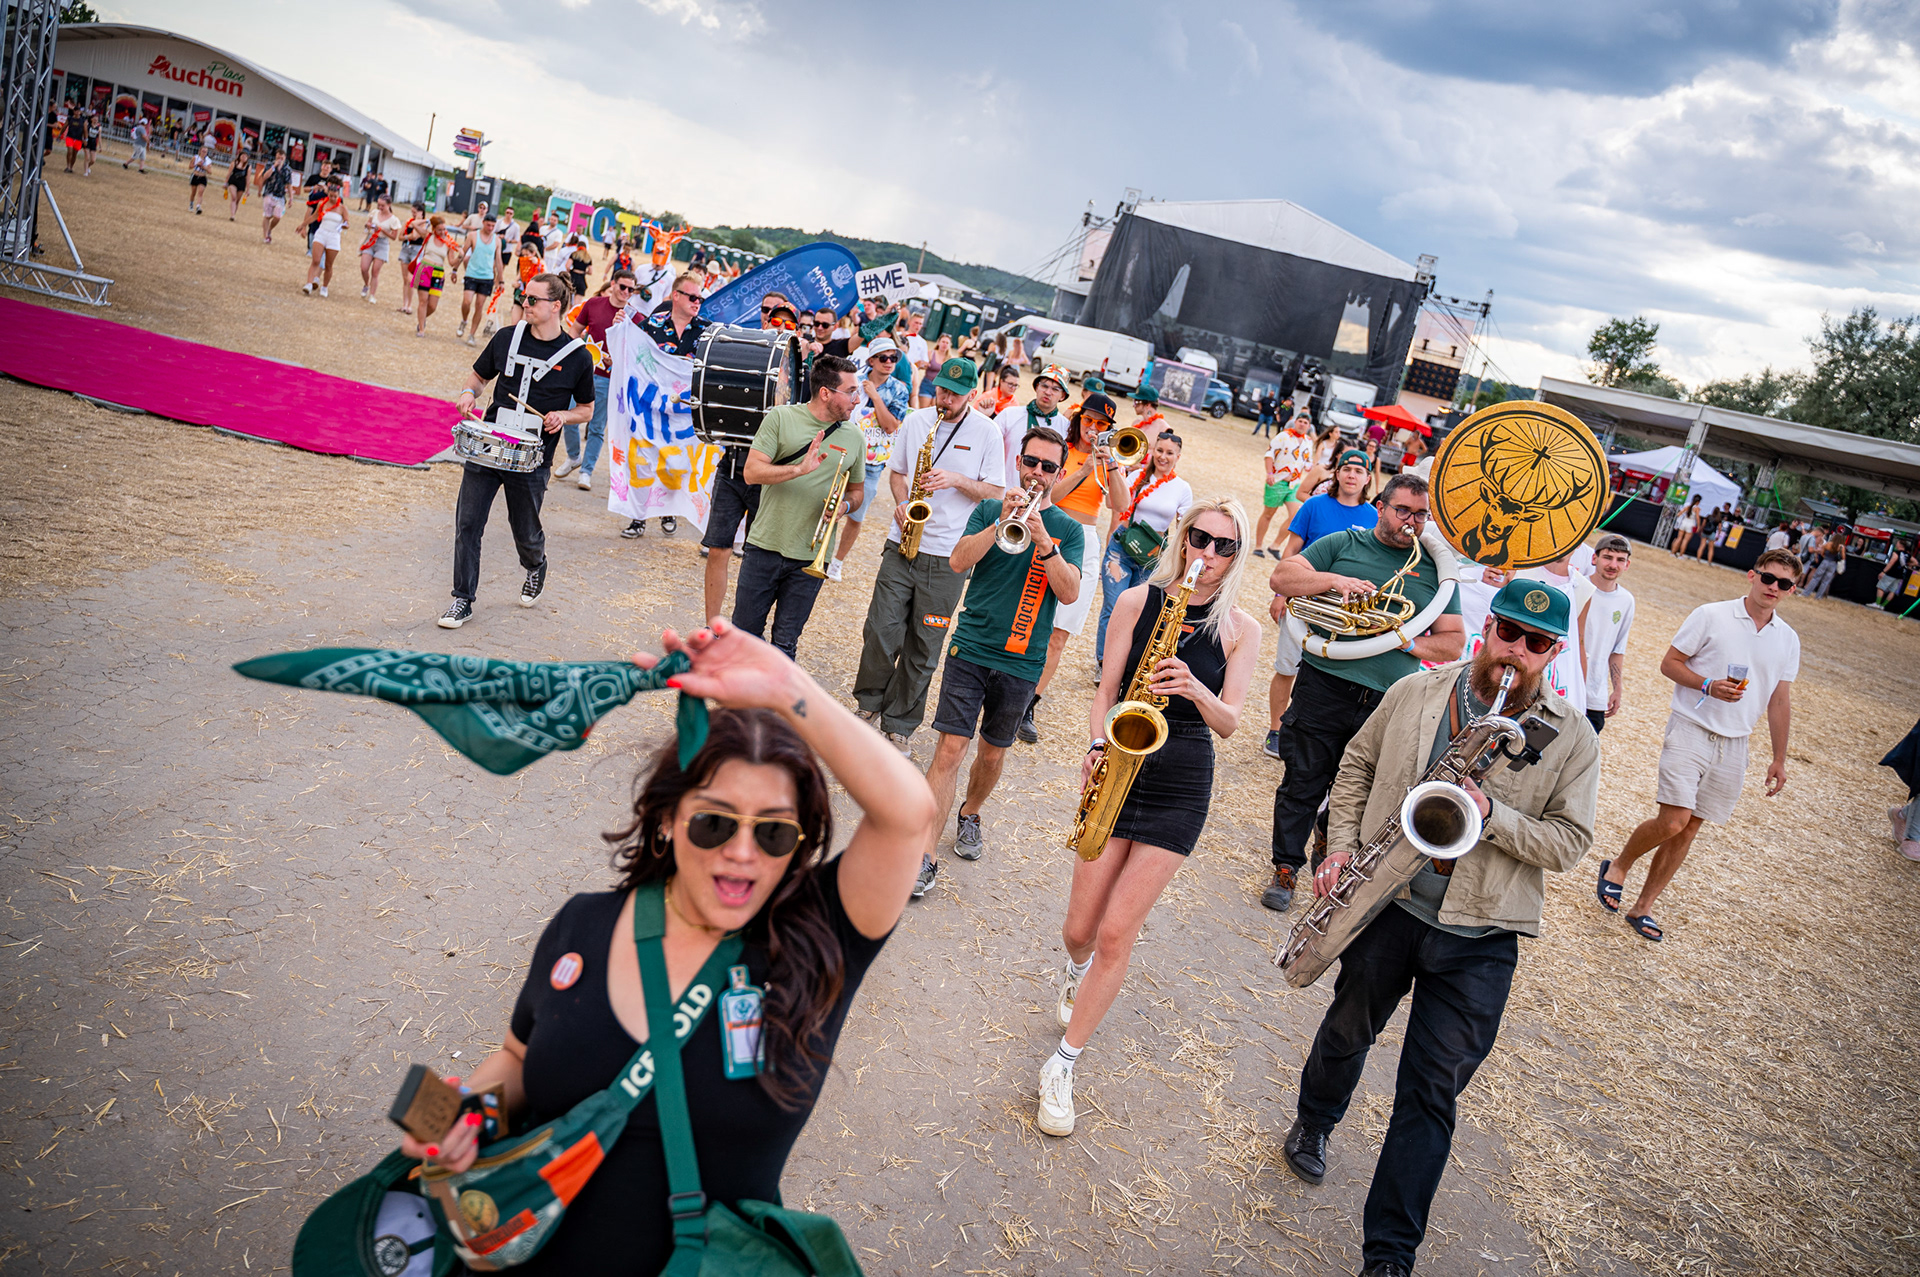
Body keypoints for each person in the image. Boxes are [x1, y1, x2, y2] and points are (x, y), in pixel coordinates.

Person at [398, 618, 935, 1275]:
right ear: (666, 821)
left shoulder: (819, 938)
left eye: (773, 832)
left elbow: (909, 813)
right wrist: (464, 1113)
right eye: (713, 822)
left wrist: (784, 685)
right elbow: (516, 1058)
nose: (742, 852)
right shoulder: (582, 927)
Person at [1280, 579, 1598, 1277]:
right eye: (1508, 633)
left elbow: (1571, 842)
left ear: (1554, 652)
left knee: (1431, 1093)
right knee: (1347, 1030)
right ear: (1488, 629)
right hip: (1387, 906)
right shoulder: (1416, 690)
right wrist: (1338, 848)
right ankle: (1315, 1119)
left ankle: (1390, 1255)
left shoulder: (1573, 736)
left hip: (1481, 935)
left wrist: (1492, 815)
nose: (1516, 651)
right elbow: (1358, 763)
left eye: (1536, 643)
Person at [1038, 499, 1259, 1135]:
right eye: (1200, 539)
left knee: (1116, 933)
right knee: (1080, 931)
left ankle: (1063, 1064)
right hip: (1120, 764)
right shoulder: (1138, 602)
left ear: (1237, 556)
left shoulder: (1240, 628)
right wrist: (1095, 743)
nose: (1208, 554)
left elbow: (1230, 722)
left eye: (1224, 546)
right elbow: (1107, 691)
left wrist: (1194, 687)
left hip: (1183, 781)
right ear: (1183, 538)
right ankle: (1074, 969)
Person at [1261, 474, 1465, 912]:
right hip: (1324, 684)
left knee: (1360, 788)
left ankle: (1329, 847)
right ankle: (1285, 867)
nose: (1411, 521)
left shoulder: (1436, 570)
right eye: (1402, 510)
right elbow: (1282, 577)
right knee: (1303, 781)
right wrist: (1334, 581)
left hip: (1389, 699)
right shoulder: (1343, 543)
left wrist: (1404, 640)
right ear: (1380, 508)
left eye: (1421, 514)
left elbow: (1453, 643)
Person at [1598, 550, 1801, 940]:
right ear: (1752, 575)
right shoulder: (1711, 615)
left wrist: (1779, 758)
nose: (1773, 587)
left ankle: (1643, 907)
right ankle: (1619, 865)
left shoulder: (1788, 640)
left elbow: (1779, 700)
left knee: (1689, 829)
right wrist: (1707, 685)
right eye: (1768, 578)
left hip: (1736, 743)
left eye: (1784, 583)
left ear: (1793, 590)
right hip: (1691, 727)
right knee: (1674, 820)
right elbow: (1669, 664)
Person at [919, 428, 1086, 895]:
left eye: (1047, 467)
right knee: (950, 749)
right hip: (972, 647)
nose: (1037, 473)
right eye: (1031, 462)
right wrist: (1001, 524)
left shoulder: (1069, 530)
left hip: (1022, 659)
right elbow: (957, 562)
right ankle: (924, 855)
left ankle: (970, 812)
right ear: (1019, 462)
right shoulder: (990, 509)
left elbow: (1069, 592)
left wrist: (1044, 541)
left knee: (992, 753)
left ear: (1059, 472)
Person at [851, 358, 1007, 754]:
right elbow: (898, 473)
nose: (945, 399)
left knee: (924, 645)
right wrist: (903, 503)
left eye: (955, 394)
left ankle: (900, 722)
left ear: (972, 394)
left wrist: (955, 479)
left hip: (949, 555)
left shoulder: (987, 432)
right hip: (903, 543)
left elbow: (995, 492)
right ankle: (868, 702)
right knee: (880, 630)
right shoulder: (917, 420)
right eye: (941, 390)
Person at [440, 274, 595, 630]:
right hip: (489, 447)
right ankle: (462, 599)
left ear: (556, 306)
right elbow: (478, 378)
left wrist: (563, 416)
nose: (525, 303)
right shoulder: (506, 337)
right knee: (468, 524)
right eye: (525, 297)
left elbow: (586, 409)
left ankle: (535, 565)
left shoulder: (577, 357)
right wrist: (468, 393)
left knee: (524, 530)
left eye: (533, 299)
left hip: (532, 459)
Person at [731, 354, 865, 660]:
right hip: (765, 545)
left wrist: (844, 506)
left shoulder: (855, 437)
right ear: (825, 393)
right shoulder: (780, 418)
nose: (857, 400)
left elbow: (857, 491)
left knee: (785, 645)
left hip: (811, 556)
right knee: (743, 637)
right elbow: (751, 473)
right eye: (851, 392)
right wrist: (798, 470)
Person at [1261, 448, 1378, 759]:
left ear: (1368, 478)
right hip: (1303, 602)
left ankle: (1304, 734)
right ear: (1336, 473)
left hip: (1342, 611)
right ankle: (1275, 730)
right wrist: (1280, 595)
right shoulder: (1314, 505)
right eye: (1347, 469)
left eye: (1359, 471)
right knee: (1287, 667)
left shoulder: (1374, 517)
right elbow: (1291, 551)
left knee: (1322, 674)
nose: (1352, 475)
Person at [1018, 394, 1121, 745]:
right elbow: (1053, 497)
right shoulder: (1060, 452)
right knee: (1028, 616)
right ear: (1078, 419)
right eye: (1088, 420)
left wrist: (1111, 465)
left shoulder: (1108, 459)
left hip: (1085, 539)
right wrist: (1084, 469)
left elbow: (1120, 504)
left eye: (1101, 424)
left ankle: (1028, 704)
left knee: (1059, 632)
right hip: (1049, 529)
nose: (1093, 428)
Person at [1094, 432, 1193, 679]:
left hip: (1152, 555)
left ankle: (1125, 664)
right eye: (1159, 450)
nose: (1163, 457)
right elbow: (1114, 504)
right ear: (1152, 451)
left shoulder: (1182, 488)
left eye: (1169, 453)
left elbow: (1184, 527)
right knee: (1113, 604)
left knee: (1138, 611)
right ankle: (1104, 662)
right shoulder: (1136, 476)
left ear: (1178, 457)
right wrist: (1115, 470)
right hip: (1122, 547)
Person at [626, 274, 713, 542]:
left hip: (684, 414)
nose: (697, 302)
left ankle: (668, 512)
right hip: (650, 408)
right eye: (692, 297)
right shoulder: (651, 325)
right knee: (643, 462)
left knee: (677, 464)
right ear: (676, 296)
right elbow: (631, 351)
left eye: (700, 298)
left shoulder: (708, 331)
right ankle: (637, 518)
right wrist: (620, 329)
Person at [822, 336, 910, 581]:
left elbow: (891, 426)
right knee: (828, 504)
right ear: (871, 360)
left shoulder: (899, 390)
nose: (889, 362)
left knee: (856, 514)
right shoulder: (852, 382)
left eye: (893, 357)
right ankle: (821, 552)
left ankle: (837, 562)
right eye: (883, 357)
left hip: (872, 462)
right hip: (842, 452)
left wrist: (875, 396)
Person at [558, 268, 641, 494]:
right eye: (622, 287)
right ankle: (574, 457)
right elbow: (575, 330)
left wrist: (619, 359)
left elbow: (638, 352)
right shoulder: (594, 304)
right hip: (582, 372)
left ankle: (587, 470)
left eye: (631, 289)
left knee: (596, 426)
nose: (626, 292)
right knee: (568, 416)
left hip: (608, 378)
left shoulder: (636, 317)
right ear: (613, 284)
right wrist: (572, 352)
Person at [1514, 552, 1593, 715]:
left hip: (1557, 677)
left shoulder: (1583, 587)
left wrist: (1579, 688)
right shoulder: (1520, 571)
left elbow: (1579, 640)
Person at [1581, 534, 1637, 735]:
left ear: (1627, 565)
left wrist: (1617, 689)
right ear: (1594, 558)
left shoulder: (1626, 600)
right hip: (1566, 689)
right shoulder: (1577, 587)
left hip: (1595, 697)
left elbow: (1617, 649)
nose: (1613, 565)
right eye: (1607, 557)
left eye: (1620, 560)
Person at [1256, 413, 1318, 557]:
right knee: (1268, 514)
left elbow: (1308, 461)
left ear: (1309, 426)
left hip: (1294, 484)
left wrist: (1311, 467)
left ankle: (1275, 545)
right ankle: (1258, 545)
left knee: (1296, 515)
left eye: (1305, 423)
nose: (1302, 424)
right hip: (1277, 481)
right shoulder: (1283, 436)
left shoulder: (1308, 441)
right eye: (1300, 421)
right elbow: (1269, 454)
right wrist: (1269, 473)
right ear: (1295, 422)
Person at [995, 364, 1068, 481]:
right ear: (1037, 387)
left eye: (1055, 389)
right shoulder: (1009, 415)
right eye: (1044, 386)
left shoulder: (1066, 427)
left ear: (1062, 396)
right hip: (1006, 488)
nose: (1048, 392)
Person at [457, 214, 505, 346]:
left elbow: (499, 261)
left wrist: (501, 280)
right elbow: (463, 252)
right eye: (488, 225)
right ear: (483, 223)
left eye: (493, 226)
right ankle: (464, 320)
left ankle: (471, 334)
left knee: (479, 306)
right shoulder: (473, 235)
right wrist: (455, 269)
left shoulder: (497, 240)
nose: (490, 228)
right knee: (467, 302)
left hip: (487, 277)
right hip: (471, 274)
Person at [412, 215, 464, 337]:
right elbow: (414, 224)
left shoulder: (448, 242)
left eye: (444, 229)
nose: (442, 232)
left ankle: (422, 319)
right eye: (439, 229)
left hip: (438, 272)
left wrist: (460, 257)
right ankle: (421, 329)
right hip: (425, 269)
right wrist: (427, 220)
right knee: (423, 301)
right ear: (434, 228)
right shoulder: (428, 236)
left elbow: (451, 262)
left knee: (432, 305)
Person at [301, 176, 347, 298]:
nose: (333, 198)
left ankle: (325, 286)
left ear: (338, 195)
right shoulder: (323, 204)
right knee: (316, 260)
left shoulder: (342, 208)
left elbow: (347, 222)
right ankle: (309, 284)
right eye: (330, 196)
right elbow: (314, 216)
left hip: (333, 236)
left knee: (328, 265)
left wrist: (344, 226)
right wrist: (303, 225)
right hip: (322, 232)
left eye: (335, 196)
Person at [356, 195, 401, 304]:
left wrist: (381, 230)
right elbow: (368, 223)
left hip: (382, 243)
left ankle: (372, 295)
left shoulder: (394, 220)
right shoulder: (374, 213)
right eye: (379, 205)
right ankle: (366, 284)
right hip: (371, 240)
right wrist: (368, 225)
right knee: (364, 268)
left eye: (382, 205)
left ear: (389, 205)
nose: (380, 207)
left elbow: (393, 237)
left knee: (375, 271)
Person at [257, 149, 294, 244]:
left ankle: (270, 229)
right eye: (278, 157)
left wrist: (291, 198)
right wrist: (274, 166)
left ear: (285, 158)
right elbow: (264, 177)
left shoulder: (287, 169)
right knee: (267, 216)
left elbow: (289, 184)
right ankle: (266, 236)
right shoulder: (270, 165)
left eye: (282, 157)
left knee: (277, 217)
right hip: (269, 192)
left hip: (280, 195)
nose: (280, 159)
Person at [1806, 529, 1846, 598]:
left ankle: (1806, 593)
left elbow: (1822, 553)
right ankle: (1818, 597)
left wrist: (1826, 557)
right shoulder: (1841, 547)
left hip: (1825, 561)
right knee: (1825, 581)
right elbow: (1843, 557)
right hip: (1833, 563)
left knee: (1816, 578)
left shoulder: (1828, 544)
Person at [1877, 542, 1913, 609]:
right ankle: (1883, 606)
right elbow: (1916, 562)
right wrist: (1907, 565)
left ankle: (1877, 604)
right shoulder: (1907, 555)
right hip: (1899, 575)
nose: (1896, 544)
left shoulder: (1896, 553)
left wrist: (1883, 572)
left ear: (1900, 545)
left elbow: (1891, 562)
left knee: (1881, 587)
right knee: (1892, 591)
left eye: (1897, 543)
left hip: (1891, 573)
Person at [224, 146, 252, 219]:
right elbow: (229, 173)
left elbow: (248, 179)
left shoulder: (248, 167)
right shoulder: (234, 163)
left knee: (237, 200)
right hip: (233, 181)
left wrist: (248, 190)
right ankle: (232, 215)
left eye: (245, 156)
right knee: (233, 197)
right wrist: (225, 182)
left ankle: (233, 214)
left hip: (241, 183)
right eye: (243, 156)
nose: (244, 157)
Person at [187, 145, 211, 214]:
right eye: (203, 151)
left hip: (202, 177)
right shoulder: (195, 157)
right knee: (193, 192)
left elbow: (210, 171)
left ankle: (198, 207)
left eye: (205, 152)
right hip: (195, 175)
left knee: (200, 192)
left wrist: (204, 167)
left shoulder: (208, 160)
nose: (204, 153)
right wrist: (196, 164)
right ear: (200, 151)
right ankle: (191, 204)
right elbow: (190, 167)